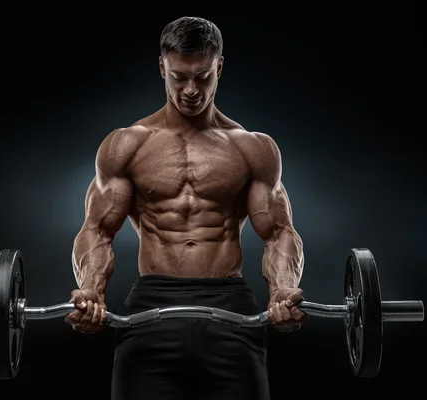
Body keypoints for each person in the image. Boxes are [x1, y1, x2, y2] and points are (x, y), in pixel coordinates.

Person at [65, 16, 306, 400]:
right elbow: (96, 230)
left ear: (220, 68)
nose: (191, 89)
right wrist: (91, 292)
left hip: (230, 305)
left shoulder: (252, 148)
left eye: (203, 76)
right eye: (179, 77)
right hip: (151, 301)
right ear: (162, 67)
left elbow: (279, 232)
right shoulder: (126, 144)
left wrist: (283, 290)